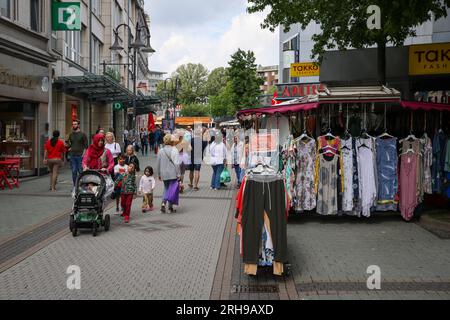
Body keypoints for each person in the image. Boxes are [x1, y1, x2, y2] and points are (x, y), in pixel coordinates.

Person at [156, 134, 181, 213]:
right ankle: (170, 207)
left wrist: (159, 174)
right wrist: (179, 174)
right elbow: (176, 163)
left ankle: (163, 203)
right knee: (172, 190)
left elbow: (158, 163)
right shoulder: (174, 150)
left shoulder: (161, 150)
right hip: (172, 173)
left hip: (164, 173)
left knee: (166, 188)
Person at [67, 119, 88, 190]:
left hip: (80, 155)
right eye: (73, 124)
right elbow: (70, 143)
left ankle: (82, 185)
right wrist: (70, 147)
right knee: (74, 171)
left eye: (75, 124)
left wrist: (84, 155)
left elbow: (86, 146)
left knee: (80, 171)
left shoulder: (83, 134)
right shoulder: (71, 134)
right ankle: (75, 186)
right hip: (72, 155)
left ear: (78, 125)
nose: (74, 125)